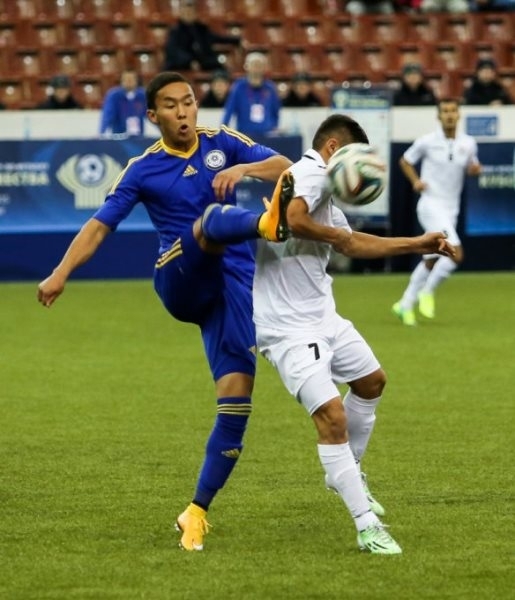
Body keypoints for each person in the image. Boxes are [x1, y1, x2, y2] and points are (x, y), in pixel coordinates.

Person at [37, 71, 293, 552]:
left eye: (189, 101)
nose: (183, 112)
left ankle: (195, 512)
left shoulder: (222, 142)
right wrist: (60, 272)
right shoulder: (142, 168)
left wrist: (244, 170)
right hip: (179, 275)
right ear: (153, 116)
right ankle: (266, 224)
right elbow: (99, 226)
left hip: (231, 290)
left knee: (236, 404)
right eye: (172, 105)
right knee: (210, 221)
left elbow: (284, 165)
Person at [253, 114, 455, 554]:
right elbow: (293, 219)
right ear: (333, 150)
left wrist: (416, 243)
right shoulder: (309, 173)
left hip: (322, 315)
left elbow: (354, 241)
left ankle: (346, 470)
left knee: (371, 381)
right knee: (332, 417)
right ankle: (366, 526)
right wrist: (338, 239)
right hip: (288, 327)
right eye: (353, 155)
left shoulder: (323, 189)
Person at [392, 98, 481, 326]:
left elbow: (472, 166)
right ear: (439, 116)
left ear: (458, 114)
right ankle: (427, 292)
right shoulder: (427, 141)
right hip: (430, 205)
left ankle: (404, 305)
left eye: (453, 111)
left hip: (451, 209)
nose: (449, 115)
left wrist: (474, 170)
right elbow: (405, 161)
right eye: (445, 111)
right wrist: (415, 181)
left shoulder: (469, 143)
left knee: (432, 259)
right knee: (455, 254)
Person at [163, 0, 241, 72]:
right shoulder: (175, 31)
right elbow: (174, 51)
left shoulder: (201, 29)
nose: (188, 14)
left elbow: (216, 38)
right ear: (181, 13)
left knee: (219, 69)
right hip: (182, 65)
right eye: (185, 12)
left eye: (190, 11)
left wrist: (236, 40)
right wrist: (190, 61)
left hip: (202, 63)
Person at [221, 52, 281, 136]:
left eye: (259, 65)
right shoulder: (239, 87)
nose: (256, 68)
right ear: (246, 66)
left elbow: (276, 111)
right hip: (244, 135)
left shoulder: (270, 88)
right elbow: (229, 110)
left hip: (267, 135)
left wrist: (274, 126)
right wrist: (223, 129)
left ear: (264, 67)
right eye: (253, 64)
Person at [99, 69, 147, 137]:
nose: (129, 82)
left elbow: (151, 113)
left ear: (136, 81)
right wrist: (102, 132)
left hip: (138, 135)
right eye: (126, 80)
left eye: (131, 79)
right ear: (121, 81)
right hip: (119, 135)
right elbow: (107, 115)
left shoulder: (142, 95)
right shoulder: (114, 95)